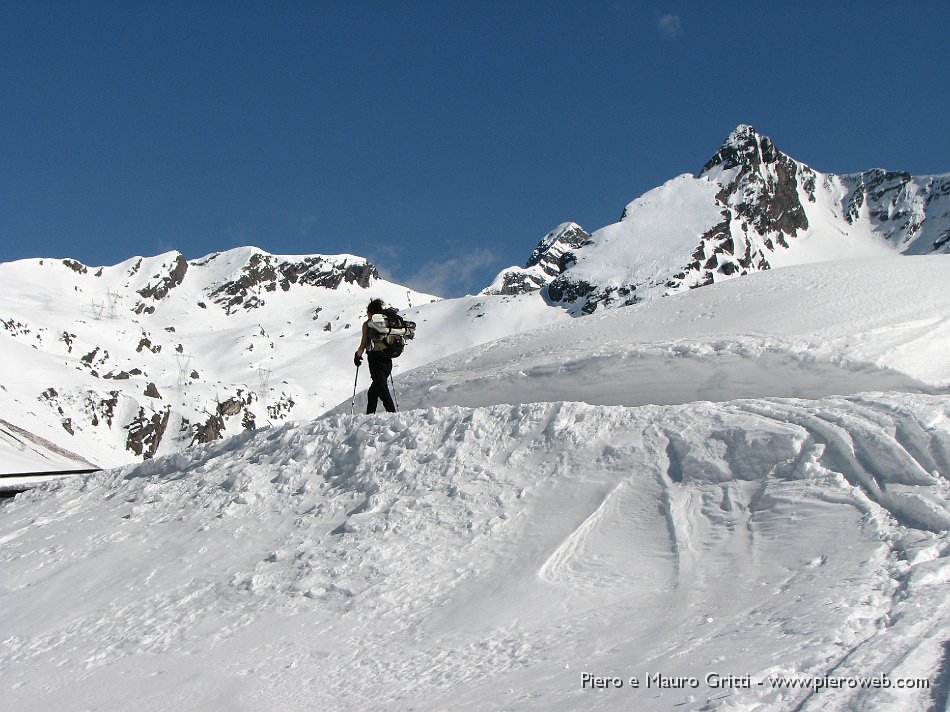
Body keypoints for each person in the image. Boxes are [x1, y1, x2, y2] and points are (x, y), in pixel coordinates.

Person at [354, 298, 396, 414]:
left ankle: (392, 414)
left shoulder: (368, 324)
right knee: (373, 392)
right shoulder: (387, 322)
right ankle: (369, 417)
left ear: (370, 312)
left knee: (382, 389)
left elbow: (363, 343)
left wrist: (358, 356)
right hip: (388, 360)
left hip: (375, 361)